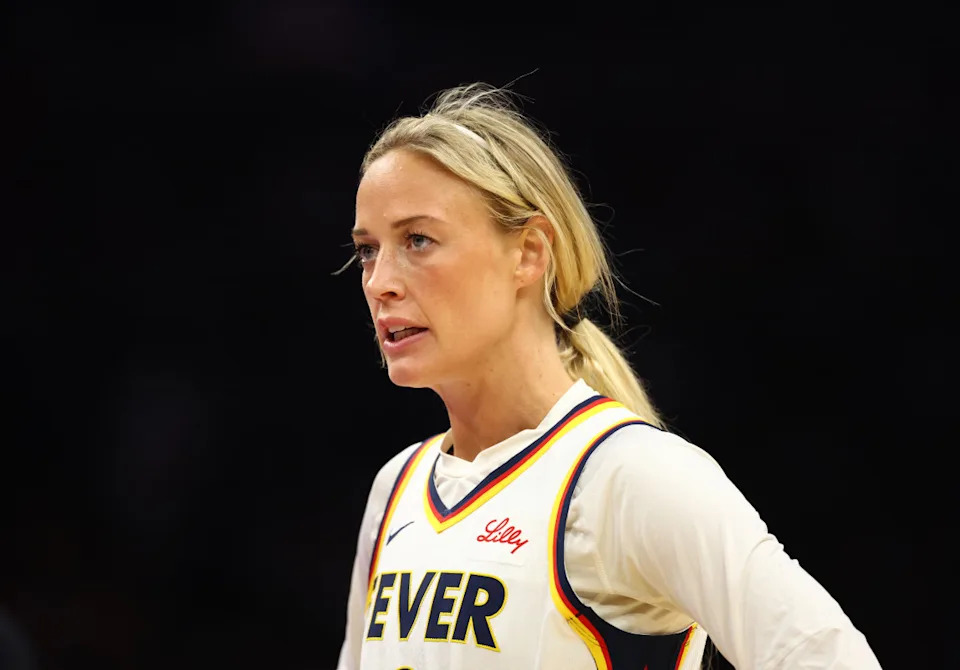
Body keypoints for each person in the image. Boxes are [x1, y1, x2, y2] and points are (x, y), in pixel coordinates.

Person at [334, 82, 882, 669]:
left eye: (418, 240)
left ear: (529, 251)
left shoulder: (633, 475)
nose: (380, 281)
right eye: (368, 249)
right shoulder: (396, 489)